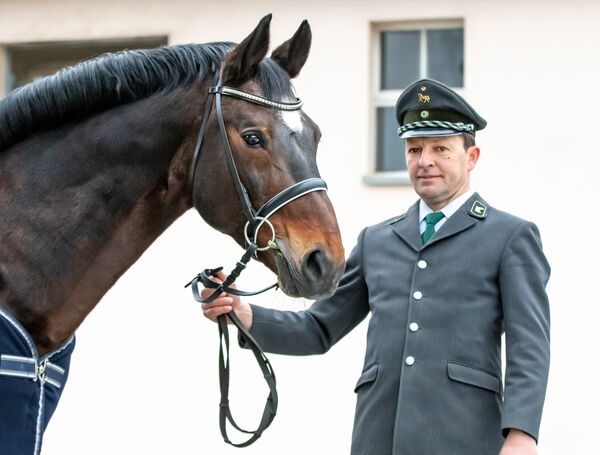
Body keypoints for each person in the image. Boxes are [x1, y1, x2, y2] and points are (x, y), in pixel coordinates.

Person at [201, 78, 551, 455]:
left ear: (472, 157)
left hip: (467, 440)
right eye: (414, 149)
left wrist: (522, 433)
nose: (425, 161)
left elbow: (529, 345)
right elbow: (318, 329)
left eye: (441, 149)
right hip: (378, 441)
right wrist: (243, 312)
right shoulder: (377, 240)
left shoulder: (510, 236)